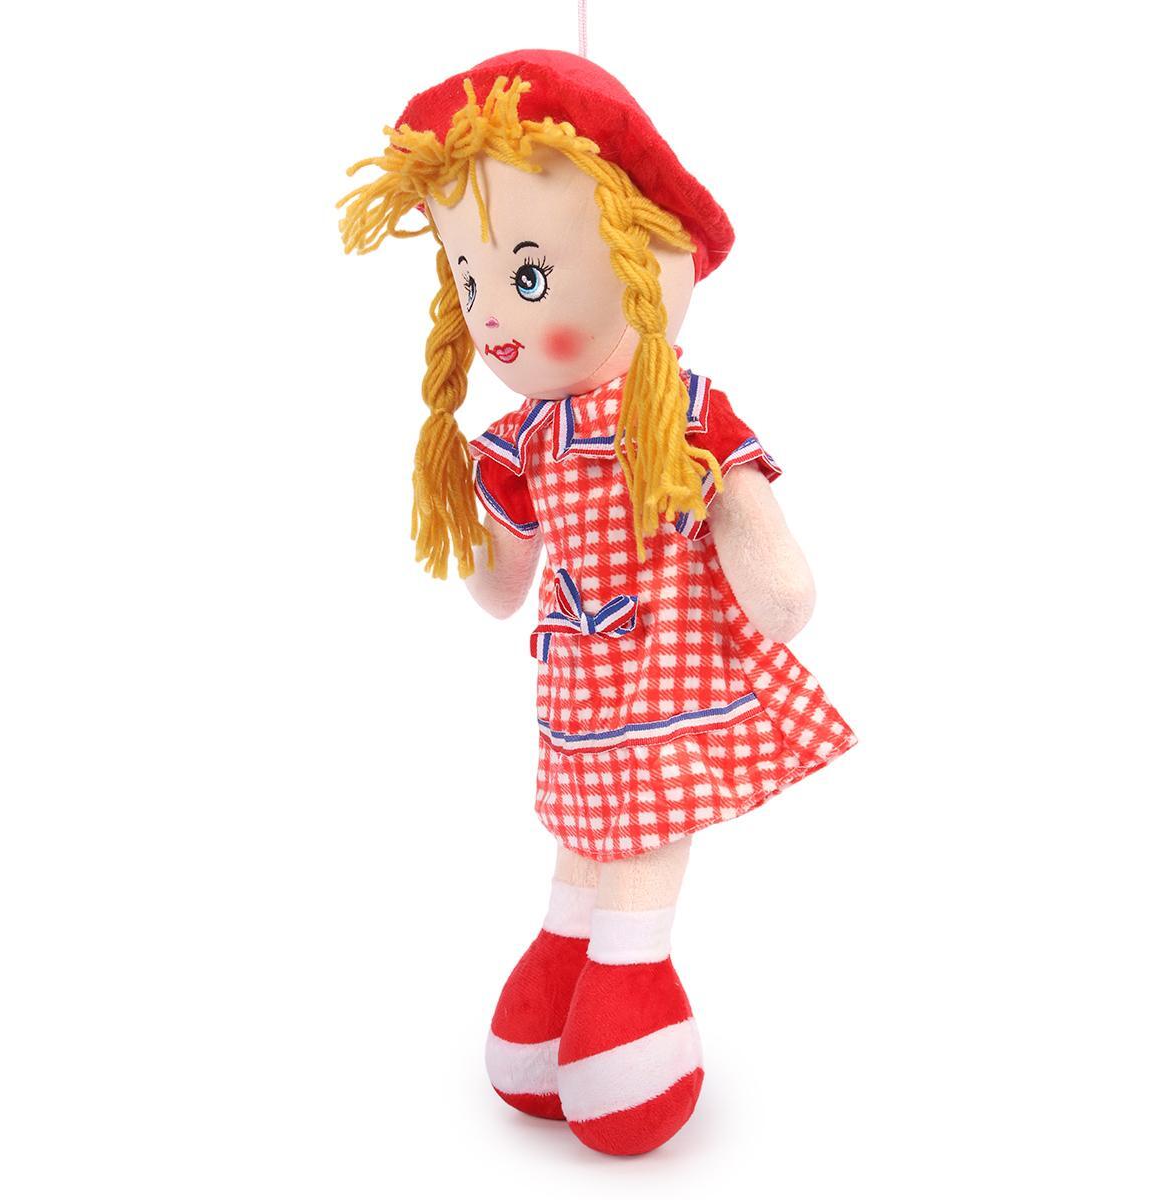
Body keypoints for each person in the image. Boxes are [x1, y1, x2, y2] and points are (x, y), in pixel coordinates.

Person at [340, 48, 856, 1156]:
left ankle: (632, 983)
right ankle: (565, 961)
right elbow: (501, 584)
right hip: (578, 681)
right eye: (473, 284)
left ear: (646, 258)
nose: (495, 319)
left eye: (527, 278)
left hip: (673, 669)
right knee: (583, 826)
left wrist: (770, 569)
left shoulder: (682, 408)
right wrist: (474, 535)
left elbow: (768, 561)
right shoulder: (525, 437)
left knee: (643, 833)